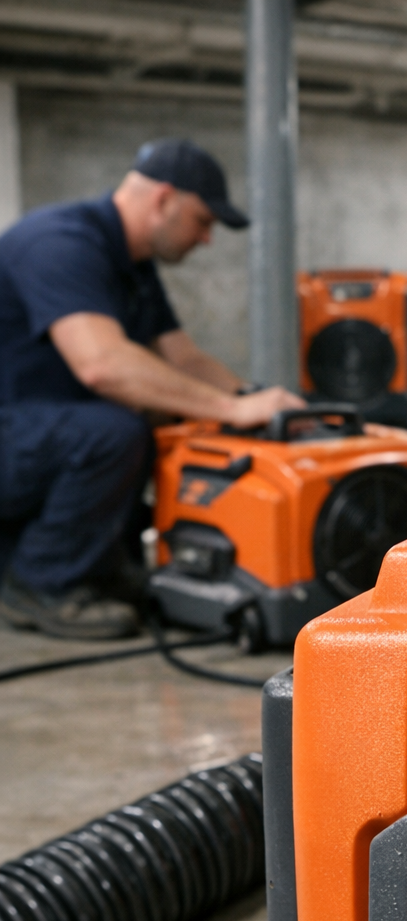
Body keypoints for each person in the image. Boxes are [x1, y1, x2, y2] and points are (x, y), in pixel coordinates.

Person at [0, 139, 305, 639]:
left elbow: (183, 360)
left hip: (36, 437)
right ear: (164, 199)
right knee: (115, 431)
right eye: (202, 221)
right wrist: (230, 409)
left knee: (162, 416)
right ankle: (42, 582)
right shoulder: (58, 243)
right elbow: (101, 365)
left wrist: (257, 402)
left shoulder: (132, 267)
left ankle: (101, 562)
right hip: (15, 433)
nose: (206, 239)